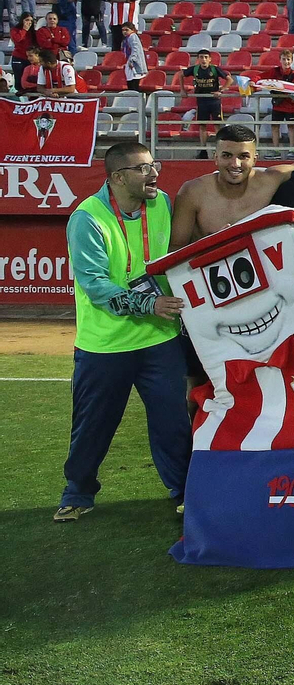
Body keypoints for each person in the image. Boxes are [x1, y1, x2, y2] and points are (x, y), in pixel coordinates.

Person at [55, 143, 190, 523]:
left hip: (160, 339)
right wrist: (150, 304)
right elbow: (95, 285)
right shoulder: (88, 218)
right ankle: (78, 492)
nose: (154, 173)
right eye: (142, 168)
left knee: (173, 424)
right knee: (93, 425)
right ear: (117, 177)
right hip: (105, 345)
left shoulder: (162, 203)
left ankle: (184, 491)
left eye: (153, 165)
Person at [170, 125, 294, 246]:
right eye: (227, 155)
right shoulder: (193, 191)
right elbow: (174, 248)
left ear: (255, 159)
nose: (235, 164)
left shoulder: (269, 180)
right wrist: (210, 246)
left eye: (243, 156)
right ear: (215, 158)